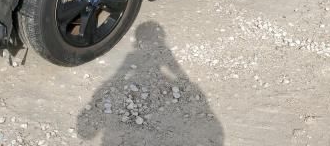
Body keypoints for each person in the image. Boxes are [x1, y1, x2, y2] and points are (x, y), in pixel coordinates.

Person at [77, 20, 224, 145]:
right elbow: (177, 71)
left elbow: (119, 76)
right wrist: (185, 83)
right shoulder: (151, 55)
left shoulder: (134, 56)